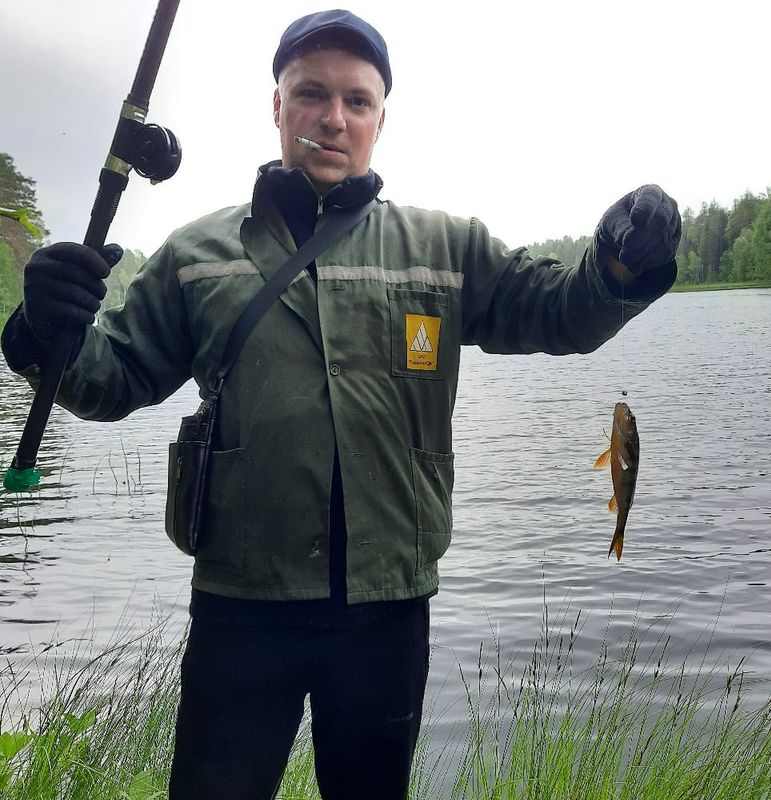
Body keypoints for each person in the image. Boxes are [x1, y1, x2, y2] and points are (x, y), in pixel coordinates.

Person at [1, 9, 681, 800]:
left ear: (381, 118)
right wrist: (42, 330)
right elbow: (110, 377)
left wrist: (617, 270)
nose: (334, 116)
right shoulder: (196, 255)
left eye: (357, 101)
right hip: (241, 602)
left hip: (386, 607)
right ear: (277, 106)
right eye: (312, 94)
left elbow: (559, 310)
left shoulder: (443, 247)